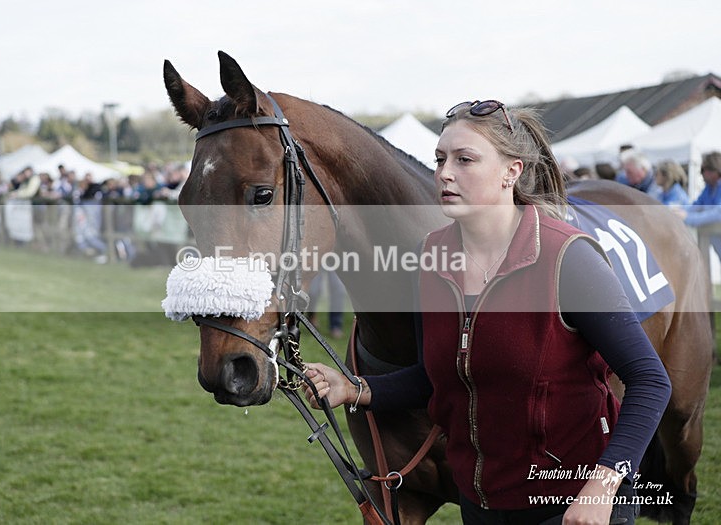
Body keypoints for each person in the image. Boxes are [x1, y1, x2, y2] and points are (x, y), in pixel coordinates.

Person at [303, 100, 671, 524]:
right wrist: (355, 389)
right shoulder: (432, 258)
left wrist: (602, 488)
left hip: (571, 506)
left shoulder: (566, 258)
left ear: (510, 172)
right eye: (440, 159)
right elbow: (435, 375)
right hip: (481, 506)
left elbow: (649, 380)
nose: (444, 172)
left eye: (465, 160)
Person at [673, 151, 721, 259]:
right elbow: (697, 205)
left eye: (703, 170)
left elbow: (718, 213)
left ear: (714, 170)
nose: (701, 174)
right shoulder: (709, 188)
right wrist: (678, 211)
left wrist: (687, 217)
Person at [307, 270, 346, 339]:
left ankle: (336, 325)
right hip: (317, 260)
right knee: (313, 290)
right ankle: (311, 315)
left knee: (338, 288)